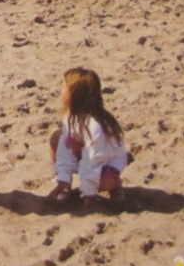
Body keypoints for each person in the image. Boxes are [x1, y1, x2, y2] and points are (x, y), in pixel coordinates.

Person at [48, 68, 130, 206]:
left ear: (76, 94)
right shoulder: (70, 116)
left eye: (64, 87)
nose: (60, 91)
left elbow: (93, 160)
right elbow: (64, 150)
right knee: (57, 138)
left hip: (105, 160)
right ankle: (64, 186)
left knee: (103, 182)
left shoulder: (95, 126)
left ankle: (115, 186)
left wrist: (88, 194)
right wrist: (64, 179)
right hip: (84, 151)